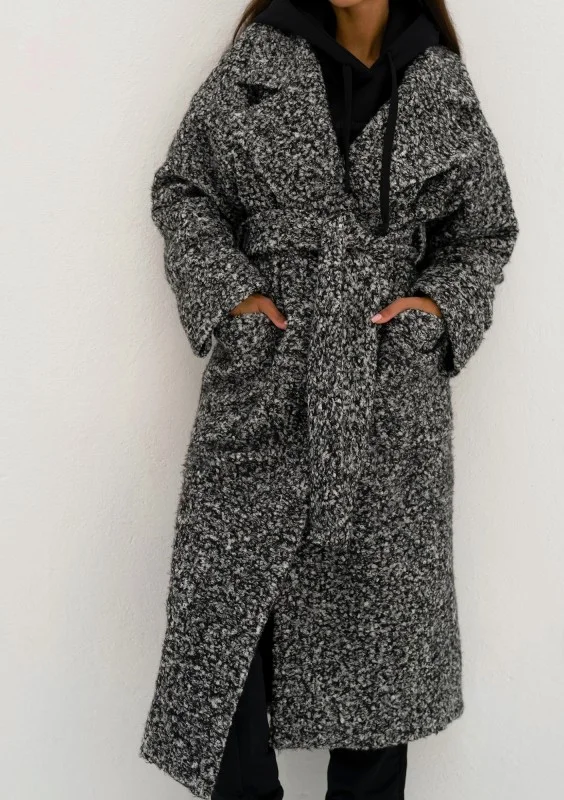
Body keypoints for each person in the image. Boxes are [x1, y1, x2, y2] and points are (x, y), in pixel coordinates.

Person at [139, 1, 519, 798]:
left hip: (389, 406)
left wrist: (436, 312)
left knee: (379, 670)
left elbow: (484, 231)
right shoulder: (258, 63)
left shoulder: (440, 84)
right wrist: (233, 298)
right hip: (266, 386)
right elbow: (184, 187)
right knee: (223, 646)